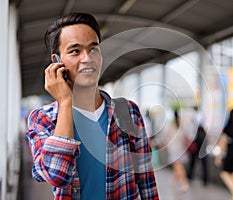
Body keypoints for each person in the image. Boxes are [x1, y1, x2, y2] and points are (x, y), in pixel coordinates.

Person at [26, 12, 159, 199]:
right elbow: (58, 176)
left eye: (93, 49)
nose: (87, 58)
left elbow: (146, 180)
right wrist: (65, 103)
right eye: (75, 51)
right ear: (57, 62)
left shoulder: (127, 112)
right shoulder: (43, 119)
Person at [165, 110, 189, 192]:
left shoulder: (171, 126)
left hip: (174, 149)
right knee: (177, 166)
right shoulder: (181, 126)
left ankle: (184, 183)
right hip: (181, 149)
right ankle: (174, 182)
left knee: (178, 167)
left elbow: (167, 137)